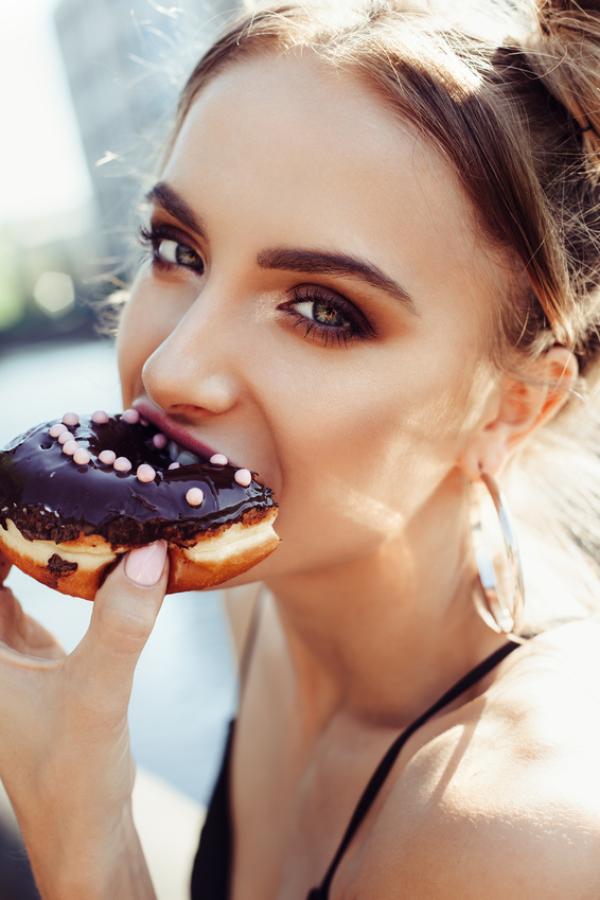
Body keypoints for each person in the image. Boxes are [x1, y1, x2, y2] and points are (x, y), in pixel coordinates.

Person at [1, 0, 600, 896]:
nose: (173, 368)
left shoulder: (516, 835)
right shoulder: (263, 600)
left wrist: (84, 840)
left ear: (514, 406)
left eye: (323, 309)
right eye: (178, 249)